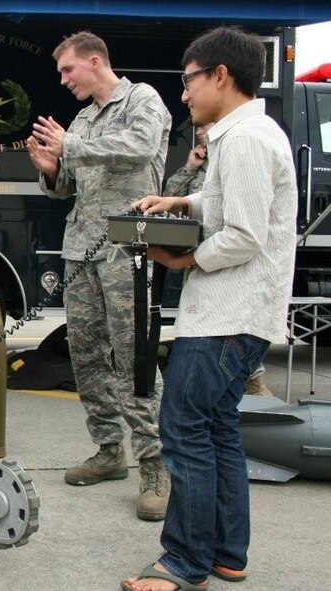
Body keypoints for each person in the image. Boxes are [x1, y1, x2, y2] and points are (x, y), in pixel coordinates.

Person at [123, 27, 297, 591]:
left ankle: (183, 562)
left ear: (220, 75)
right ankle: (227, 554)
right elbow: (226, 201)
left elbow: (244, 235)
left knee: (183, 430)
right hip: (239, 314)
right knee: (218, 430)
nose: (185, 94)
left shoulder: (245, 139)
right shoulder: (242, 135)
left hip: (227, 314)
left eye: (189, 80)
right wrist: (181, 199)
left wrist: (184, 260)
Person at [26, 31, 172, 521]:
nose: (63, 80)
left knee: (134, 354)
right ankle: (109, 452)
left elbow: (139, 147)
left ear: (94, 61)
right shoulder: (84, 119)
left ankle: (155, 464)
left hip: (129, 246)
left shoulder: (142, 100)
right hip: (83, 250)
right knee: (86, 354)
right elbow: (67, 184)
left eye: (68, 70)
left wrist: (73, 145)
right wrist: (51, 168)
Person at [164, 123, 272, 396]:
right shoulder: (201, 165)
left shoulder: (236, 154)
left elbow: (244, 230)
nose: (200, 132)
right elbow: (169, 196)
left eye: (205, 128)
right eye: (197, 129)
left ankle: (253, 378)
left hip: (222, 254)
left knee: (232, 328)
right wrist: (189, 166)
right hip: (197, 251)